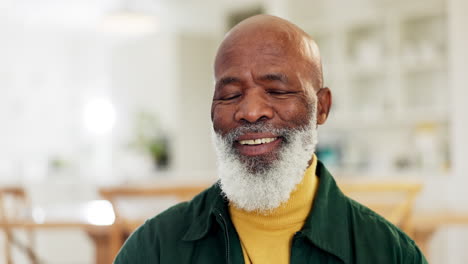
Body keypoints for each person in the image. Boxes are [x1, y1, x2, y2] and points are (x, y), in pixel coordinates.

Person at [114, 14, 427, 264]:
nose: (250, 112)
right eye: (230, 94)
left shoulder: (390, 253)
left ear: (322, 107)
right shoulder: (154, 249)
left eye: (277, 91)